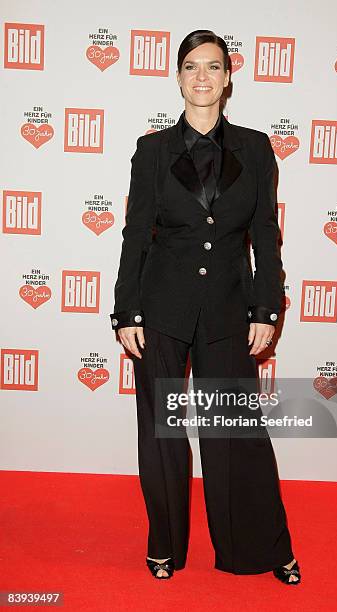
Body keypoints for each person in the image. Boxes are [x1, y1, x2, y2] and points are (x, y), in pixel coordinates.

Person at [110, 29, 301, 585]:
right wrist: (127, 312)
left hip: (228, 310)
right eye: (191, 67)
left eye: (213, 67)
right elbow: (135, 234)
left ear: (227, 79)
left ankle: (263, 547)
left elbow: (266, 233)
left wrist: (268, 308)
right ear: (177, 77)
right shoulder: (151, 151)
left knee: (235, 434)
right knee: (163, 435)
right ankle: (164, 543)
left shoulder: (256, 147)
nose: (201, 77)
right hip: (161, 309)